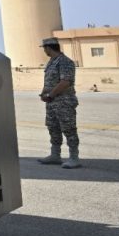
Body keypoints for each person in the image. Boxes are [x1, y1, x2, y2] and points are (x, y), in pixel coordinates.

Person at [38, 38, 81, 169]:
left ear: (49, 48)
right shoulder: (51, 62)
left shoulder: (64, 62)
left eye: (44, 48)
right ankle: (55, 155)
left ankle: (74, 158)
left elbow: (65, 82)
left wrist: (50, 95)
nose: (44, 50)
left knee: (68, 129)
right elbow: (49, 82)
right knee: (53, 127)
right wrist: (43, 94)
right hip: (52, 102)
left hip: (64, 102)